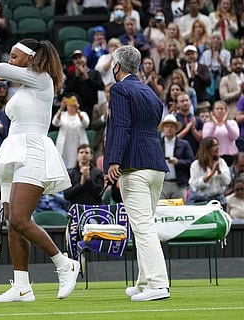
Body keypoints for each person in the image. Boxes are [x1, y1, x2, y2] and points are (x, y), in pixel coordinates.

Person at [0, 38, 79, 302]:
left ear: (30, 58)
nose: (9, 61)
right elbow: (5, 70)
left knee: (19, 218)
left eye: (14, 56)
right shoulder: (25, 87)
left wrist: (6, 71)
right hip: (14, 153)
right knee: (12, 223)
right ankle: (22, 286)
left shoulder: (43, 79)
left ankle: (65, 264)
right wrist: (10, 72)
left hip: (34, 151)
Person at [104, 45, 170, 301]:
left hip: (134, 167)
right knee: (145, 225)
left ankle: (158, 284)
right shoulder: (151, 92)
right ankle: (144, 281)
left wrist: (113, 161)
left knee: (143, 227)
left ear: (117, 67)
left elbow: (121, 126)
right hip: (156, 164)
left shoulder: (119, 89)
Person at [158, 114, 194, 201]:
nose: (169, 129)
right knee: (160, 210)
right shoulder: (157, 144)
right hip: (162, 183)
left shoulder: (184, 144)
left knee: (179, 210)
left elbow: (191, 162)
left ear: (176, 129)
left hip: (179, 184)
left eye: (171, 126)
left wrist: (178, 162)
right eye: (167, 126)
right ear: (163, 129)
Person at [188, 137, 231, 205]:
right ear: (206, 148)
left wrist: (219, 171)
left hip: (218, 199)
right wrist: (211, 174)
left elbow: (227, 181)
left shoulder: (221, 162)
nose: (217, 147)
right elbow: (195, 184)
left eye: (217, 145)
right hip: (201, 201)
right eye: (214, 145)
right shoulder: (196, 164)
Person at [51, 94, 90, 169]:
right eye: (69, 102)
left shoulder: (82, 114)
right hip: (65, 146)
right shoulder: (62, 115)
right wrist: (61, 108)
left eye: (73, 102)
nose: (71, 105)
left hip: (79, 144)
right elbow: (55, 123)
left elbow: (86, 123)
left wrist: (78, 111)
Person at [202, 100, 239, 166]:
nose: (219, 111)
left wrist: (226, 123)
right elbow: (206, 139)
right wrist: (214, 124)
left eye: (222, 109)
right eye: (217, 109)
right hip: (214, 156)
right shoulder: (208, 124)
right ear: (213, 111)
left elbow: (234, 136)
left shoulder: (232, 122)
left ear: (226, 111)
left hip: (231, 155)